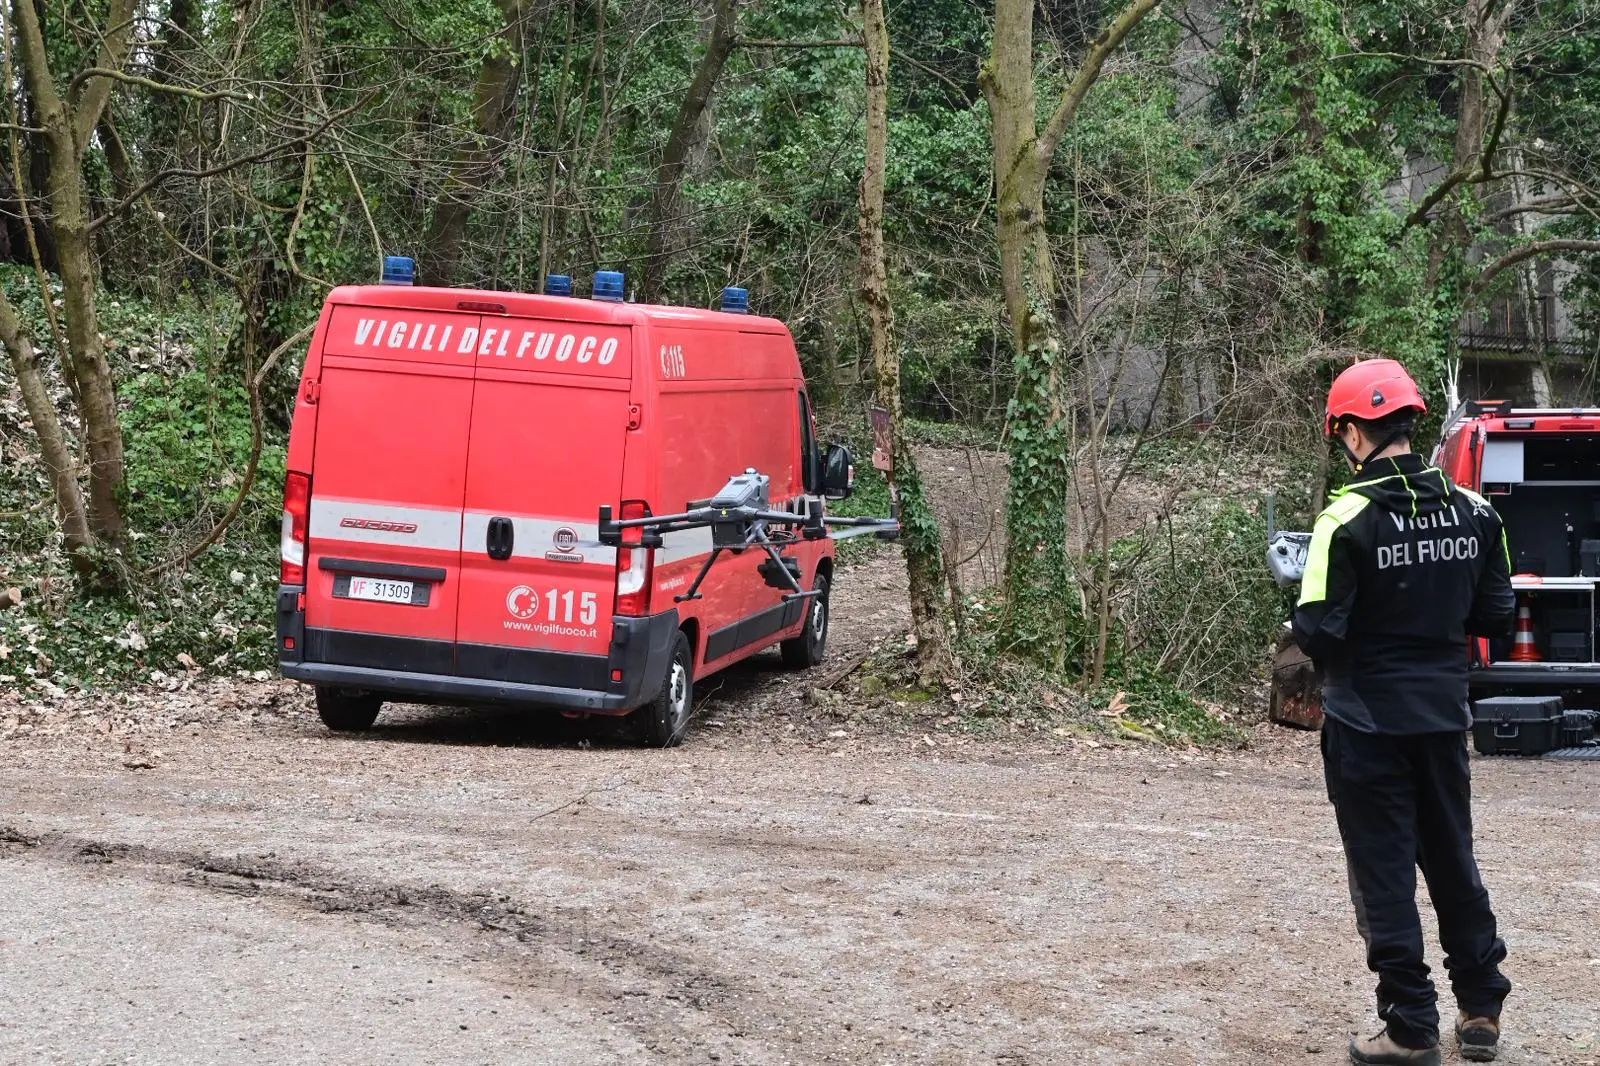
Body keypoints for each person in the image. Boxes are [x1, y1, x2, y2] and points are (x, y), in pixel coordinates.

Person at [1293, 358, 1515, 1066]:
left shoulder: (1343, 521)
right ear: (1411, 425)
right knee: (1453, 859)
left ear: (1353, 432)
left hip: (1365, 727)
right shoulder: (1478, 513)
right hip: (1444, 719)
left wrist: (1300, 588)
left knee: (1384, 873)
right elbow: (1496, 615)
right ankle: (1480, 1009)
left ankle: (1411, 1025)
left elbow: (1319, 633)